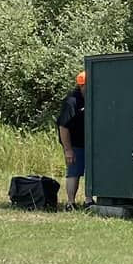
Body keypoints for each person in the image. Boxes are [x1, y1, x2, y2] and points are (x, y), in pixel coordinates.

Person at [56, 71, 88, 209]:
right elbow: (63, 126)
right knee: (73, 172)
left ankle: (89, 201)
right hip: (75, 145)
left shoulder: (91, 98)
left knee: (91, 173)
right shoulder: (71, 101)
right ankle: (70, 203)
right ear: (81, 85)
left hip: (89, 144)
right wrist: (68, 150)